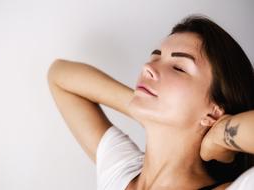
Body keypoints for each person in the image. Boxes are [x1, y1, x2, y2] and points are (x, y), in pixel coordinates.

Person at [47, 15, 254, 190]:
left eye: (178, 68)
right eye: (155, 58)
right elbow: (59, 74)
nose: (148, 67)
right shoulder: (120, 174)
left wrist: (220, 136)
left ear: (214, 113)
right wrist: (140, 105)